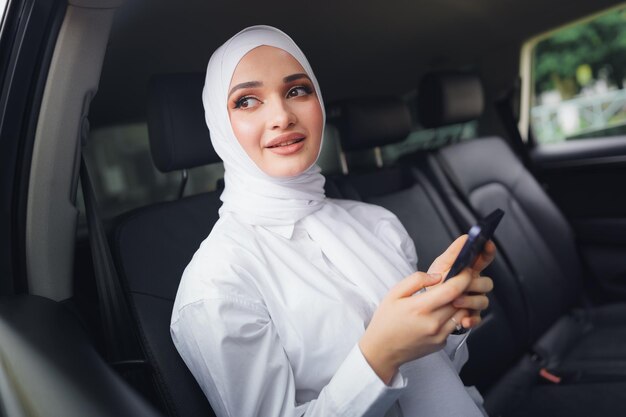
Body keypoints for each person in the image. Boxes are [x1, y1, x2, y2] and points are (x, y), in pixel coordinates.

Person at [171, 25, 495, 417]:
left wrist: (448, 317)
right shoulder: (217, 284)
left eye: (296, 90)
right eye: (247, 101)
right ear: (220, 127)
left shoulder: (378, 224)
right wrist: (379, 357)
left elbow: (439, 380)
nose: (281, 116)